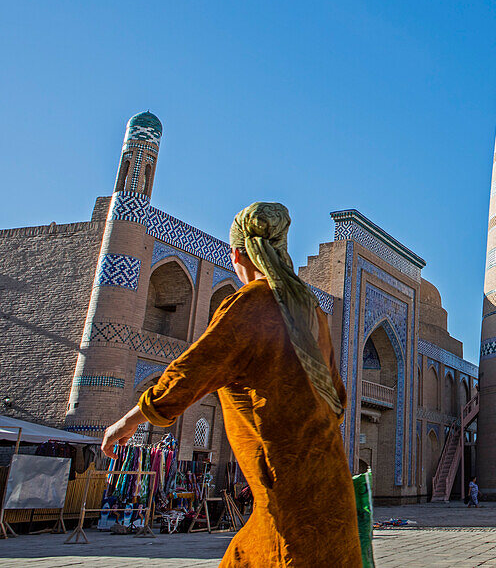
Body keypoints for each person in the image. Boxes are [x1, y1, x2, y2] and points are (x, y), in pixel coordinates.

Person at [101, 202, 361, 566]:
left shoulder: (252, 303)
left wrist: (125, 423)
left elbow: (188, 372)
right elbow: (338, 399)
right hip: (329, 489)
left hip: (286, 498)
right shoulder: (312, 310)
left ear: (238, 253)